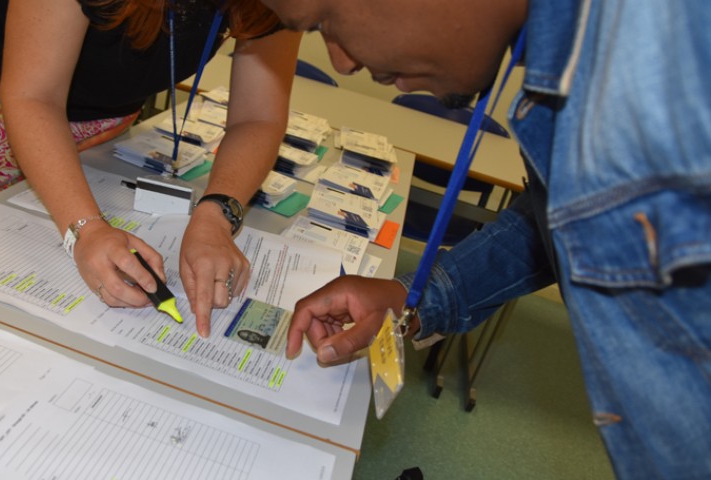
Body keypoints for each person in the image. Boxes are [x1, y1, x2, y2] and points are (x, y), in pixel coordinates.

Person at [260, 0, 711, 478]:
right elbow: (551, 221)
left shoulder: (675, 57)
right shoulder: (581, 66)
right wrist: (414, 297)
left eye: (327, 20)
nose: (342, 62)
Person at [0, 0, 301, 335]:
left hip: (105, 105)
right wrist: (84, 230)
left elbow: (258, 117)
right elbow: (33, 96)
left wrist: (216, 215)